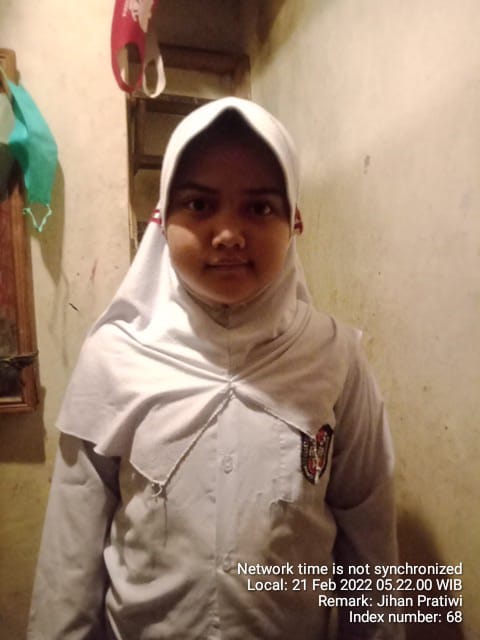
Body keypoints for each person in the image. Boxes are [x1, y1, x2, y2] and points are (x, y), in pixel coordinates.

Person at [28, 97, 403, 639]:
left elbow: (370, 538)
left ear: (294, 221)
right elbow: (70, 557)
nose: (228, 234)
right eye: (199, 205)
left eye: (260, 208)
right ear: (163, 219)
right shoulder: (113, 357)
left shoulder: (335, 358)